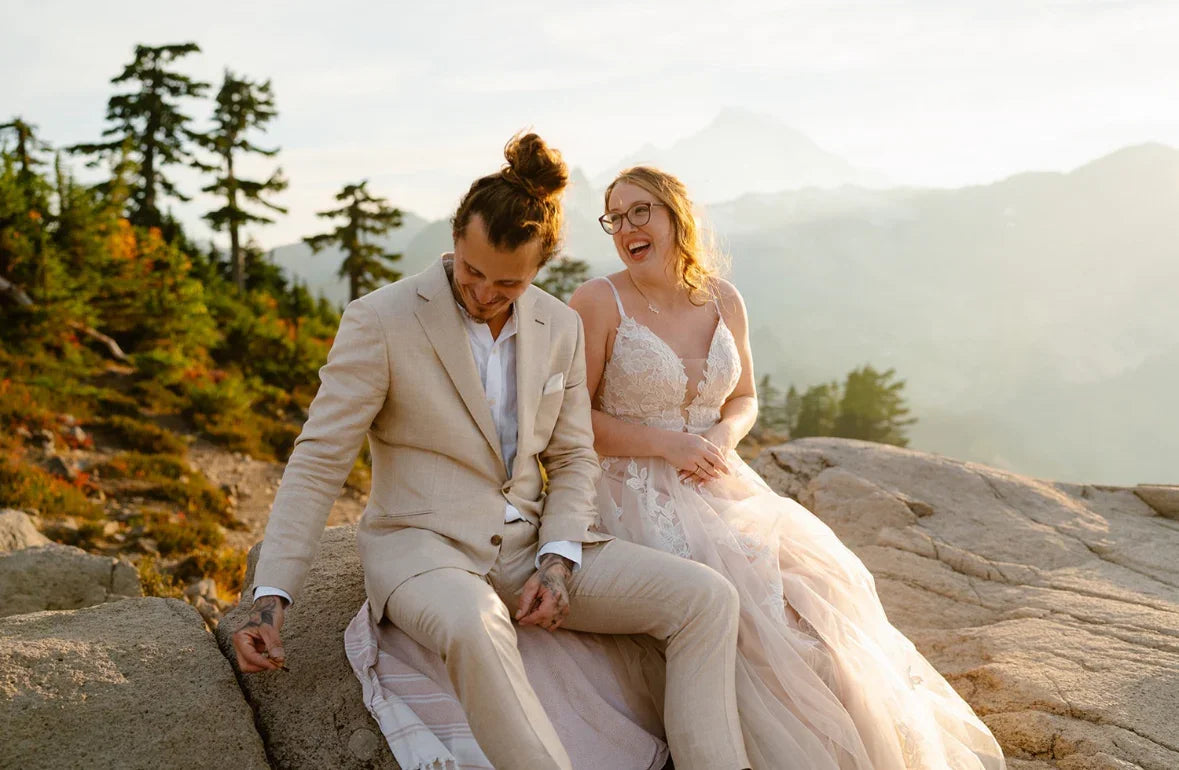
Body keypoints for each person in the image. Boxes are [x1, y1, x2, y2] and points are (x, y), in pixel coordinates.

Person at [228, 136, 751, 770]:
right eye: (472, 272)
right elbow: (318, 461)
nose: (483, 293)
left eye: (508, 283)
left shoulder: (558, 324)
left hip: (532, 545)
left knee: (708, 600)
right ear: (455, 240)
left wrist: (559, 557)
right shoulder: (380, 319)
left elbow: (574, 456)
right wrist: (270, 596)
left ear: (538, 270)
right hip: (424, 550)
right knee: (479, 628)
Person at [564, 165, 1008, 770]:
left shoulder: (722, 297)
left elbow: (745, 396)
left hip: (720, 479)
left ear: (675, 215)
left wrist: (722, 433)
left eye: (640, 211)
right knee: (744, 616)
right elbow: (575, 423)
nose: (626, 228)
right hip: (633, 492)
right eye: (614, 217)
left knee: (819, 599)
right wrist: (667, 446)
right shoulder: (597, 300)